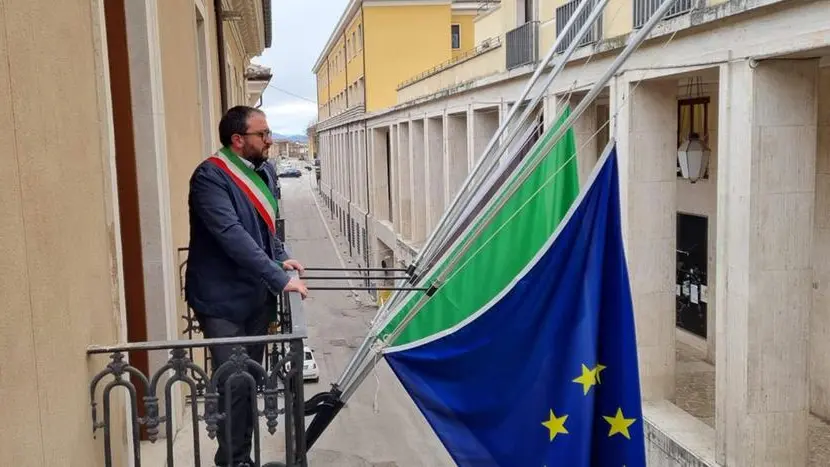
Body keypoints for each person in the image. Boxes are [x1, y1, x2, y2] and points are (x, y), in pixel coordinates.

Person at [185, 105, 308, 467]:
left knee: (249, 382)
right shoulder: (209, 178)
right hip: (221, 299)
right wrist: (279, 278)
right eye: (263, 134)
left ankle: (242, 456)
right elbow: (232, 235)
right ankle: (233, 460)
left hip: (256, 297)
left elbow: (268, 229)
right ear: (238, 140)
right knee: (234, 383)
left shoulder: (264, 171)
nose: (270, 140)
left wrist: (281, 257)